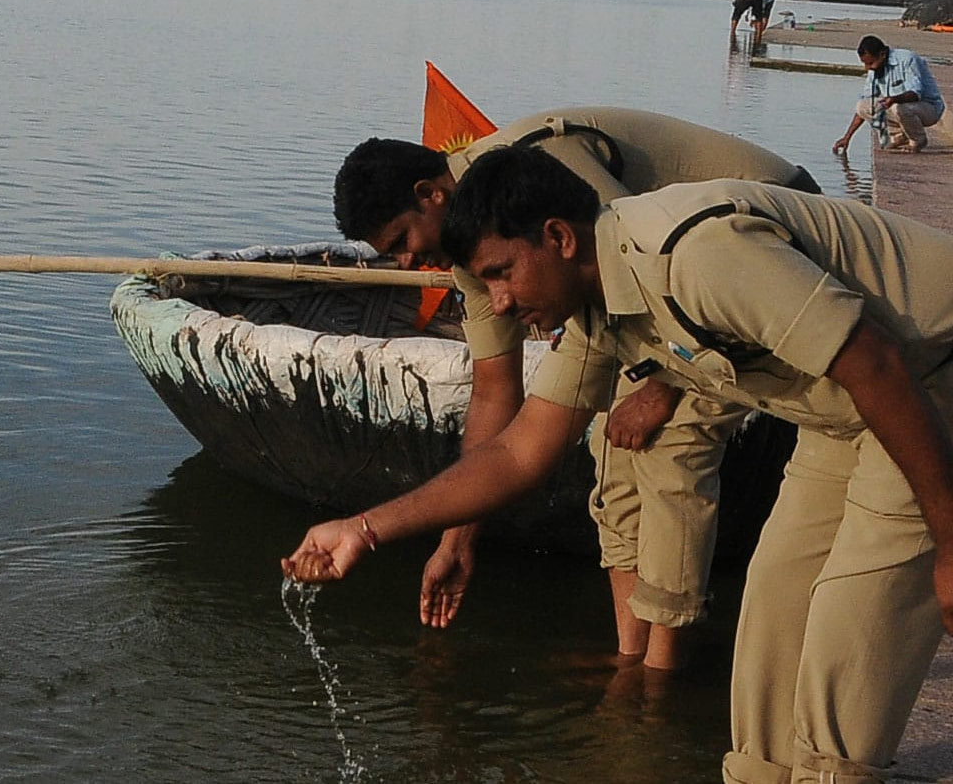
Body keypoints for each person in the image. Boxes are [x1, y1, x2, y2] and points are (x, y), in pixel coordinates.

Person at [285, 144, 953, 784]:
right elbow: (520, 451)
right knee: (771, 643)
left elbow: (879, 364)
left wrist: (949, 545)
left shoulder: (694, 255)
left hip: (926, 389)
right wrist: (364, 529)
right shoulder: (600, 310)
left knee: (844, 658)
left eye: (500, 274)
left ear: (559, 237)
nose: (501, 304)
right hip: (842, 418)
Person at [331, 107, 818, 670]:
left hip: (765, 240)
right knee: (609, 445)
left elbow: (630, 249)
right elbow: (495, 390)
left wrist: (662, 386)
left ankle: (661, 677)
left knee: (669, 442)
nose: (408, 262)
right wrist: (457, 539)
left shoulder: (535, 164)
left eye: (402, 240)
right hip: (649, 299)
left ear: (430, 194)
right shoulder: (475, 248)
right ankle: (631, 655)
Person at [832, 34, 946, 155]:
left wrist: (894, 99)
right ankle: (899, 135)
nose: (867, 68)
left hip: (928, 108)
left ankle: (918, 140)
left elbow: (915, 94)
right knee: (862, 106)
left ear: (882, 55)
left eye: (870, 63)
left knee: (899, 107)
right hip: (899, 107)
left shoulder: (907, 59)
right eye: (865, 64)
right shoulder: (874, 70)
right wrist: (847, 137)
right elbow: (865, 102)